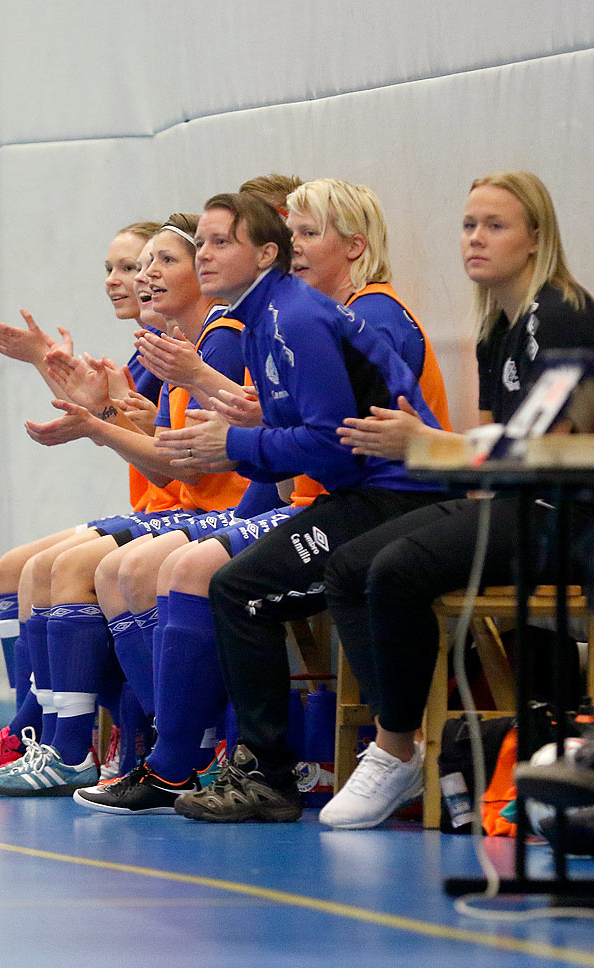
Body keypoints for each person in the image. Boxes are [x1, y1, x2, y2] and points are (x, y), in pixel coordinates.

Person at [74, 178, 450, 815]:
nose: (205, 257)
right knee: (216, 581)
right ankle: (216, 757)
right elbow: (310, 434)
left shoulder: (336, 315)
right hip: (351, 495)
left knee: (227, 583)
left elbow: (330, 446)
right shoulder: (282, 321)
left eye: (306, 232)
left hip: (390, 500)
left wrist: (238, 444)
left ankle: (268, 765)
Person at [317, 171, 594, 830]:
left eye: (495, 226)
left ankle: (395, 745)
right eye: (468, 225)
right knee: (348, 569)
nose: (475, 238)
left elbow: (546, 448)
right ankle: (400, 740)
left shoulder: (560, 315)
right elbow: (498, 447)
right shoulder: (498, 325)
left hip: (579, 516)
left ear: (535, 239)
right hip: (519, 501)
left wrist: (428, 445)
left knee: (398, 570)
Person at [0, 215, 252, 796]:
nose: (133, 279)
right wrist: (100, 412)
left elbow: (182, 462)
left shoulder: (214, 341)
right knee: (25, 569)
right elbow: (160, 443)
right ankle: (53, 731)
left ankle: (122, 741)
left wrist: (100, 422)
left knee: (80, 570)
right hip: (181, 507)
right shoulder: (178, 348)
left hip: (214, 511)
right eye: (125, 268)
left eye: (148, 264)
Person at [0, 221, 166, 785]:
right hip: (161, 509)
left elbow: (131, 434)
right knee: (12, 568)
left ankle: (62, 737)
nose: (122, 281)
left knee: (58, 570)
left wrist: (93, 407)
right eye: (111, 269)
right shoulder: (149, 351)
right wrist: (44, 358)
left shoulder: (186, 349)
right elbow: (93, 407)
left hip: (182, 514)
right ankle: (32, 728)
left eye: (133, 267)